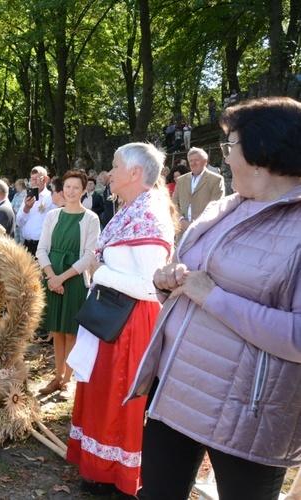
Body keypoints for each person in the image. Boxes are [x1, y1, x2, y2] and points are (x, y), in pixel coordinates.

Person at [132, 97, 301, 500]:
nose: (224, 158)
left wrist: (213, 297)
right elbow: (188, 276)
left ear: (262, 152)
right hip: (175, 388)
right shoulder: (226, 207)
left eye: (230, 147)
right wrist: (166, 279)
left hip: (249, 412)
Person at [65, 142, 175, 496]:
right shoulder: (131, 210)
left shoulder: (149, 216)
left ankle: (120, 476)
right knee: (102, 396)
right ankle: (101, 470)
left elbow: (150, 286)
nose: (108, 173)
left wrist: (100, 274)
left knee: (118, 400)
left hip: (130, 325)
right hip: (113, 318)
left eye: (114, 166)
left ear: (135, 173)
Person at [37, 171, 100, 400]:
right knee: (57, 330)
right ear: (62, 190)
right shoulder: (53, 216)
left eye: (76, 187)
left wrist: (61, 278)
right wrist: (51, 276)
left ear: (84, 190)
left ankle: (67, 381)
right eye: (67, 187)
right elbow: (42, 249)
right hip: (52, 276)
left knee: (71, 331)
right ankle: (57, 375)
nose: (71, 191)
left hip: (73, 280)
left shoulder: (91, 218)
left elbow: (88, 255)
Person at [172, 147, 225, 238]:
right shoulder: (181, 180)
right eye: (191, 160)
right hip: (182, 231)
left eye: (196, 160)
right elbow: (173, 203)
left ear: (205, 161)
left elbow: (216, 206)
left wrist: (196, 224)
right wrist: (181, 220)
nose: (193, 163)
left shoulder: (216, 180)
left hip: (204, 232)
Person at [17, 166, 54, 256]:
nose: (34, 182)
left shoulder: (51, 197)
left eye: (37, 179)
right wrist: (26, 208)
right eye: (32, 179)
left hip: (42, 245)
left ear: (45, 179)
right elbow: (19, 223)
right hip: (26, 245)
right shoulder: (27, 198)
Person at [11, 179, 27, 244]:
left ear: (20, 185)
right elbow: (12, 204)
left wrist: (15, 210)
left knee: (22, 242)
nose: (15, 187)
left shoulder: (26, 194)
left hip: (22, 222)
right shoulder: (16, 195)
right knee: (16, 242)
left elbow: (24, 207)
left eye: (16, 185)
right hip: (15, 221)